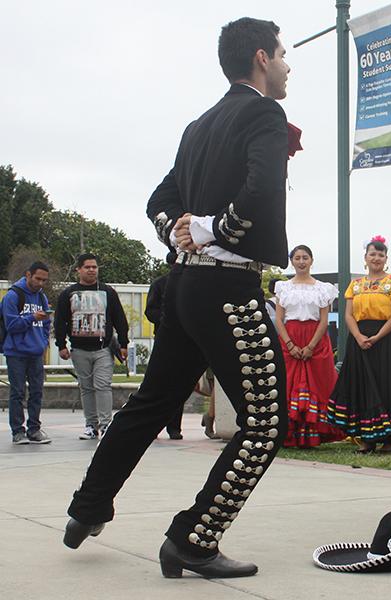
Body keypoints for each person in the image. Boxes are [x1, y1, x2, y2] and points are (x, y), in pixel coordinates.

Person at [63, 17, 294, 579]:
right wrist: (213, 227)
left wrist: (178, 229)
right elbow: (261, 189)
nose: (289, 66)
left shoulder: (199, 125)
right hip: (227, 290)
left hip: (187, 287)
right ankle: (194, 538)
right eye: (284, 55)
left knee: (150, 403)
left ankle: (88, 506)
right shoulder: (264, 113)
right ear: (262, 58)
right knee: (265, 424)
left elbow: (158, 199)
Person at [328, 236, 391, 453]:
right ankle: (367, 438)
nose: (376, 258)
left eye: (380, 254)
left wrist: (377, 336)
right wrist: (359, 337)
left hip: (387, 340)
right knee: (362, 386)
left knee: (387, 384)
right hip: (359, 339)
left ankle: (389, 439)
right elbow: (348, 315)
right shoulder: (355, 285)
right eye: (373, 254)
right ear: (365, 257)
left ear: (386, 258)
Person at [274, 244, 344, 448]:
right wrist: (289, 344)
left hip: (316, 339)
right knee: (288, 384)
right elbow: (279, 319)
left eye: (305, 257)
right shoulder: (283, 287)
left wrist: (311, 346)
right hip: (290, 337)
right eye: (297, 258)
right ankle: (288, 433)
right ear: (292, 261)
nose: (301, 261)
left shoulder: (323, 288)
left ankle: (317, 433)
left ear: (311, 261)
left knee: (319, 383)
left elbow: (324, 320)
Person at [54, 253, 129, 440]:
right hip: (79, 349)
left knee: (103, 386)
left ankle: (106, 425)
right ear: (78, 269)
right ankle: (90, 425)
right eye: (87, 267)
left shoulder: (108, 292)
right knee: (86, 388)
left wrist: (123, 343)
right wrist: (61, 345)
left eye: (94, 267)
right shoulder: (68, 294)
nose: (91, 270)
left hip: (103, 348)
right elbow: (60, 321)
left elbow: (120, 319)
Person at [2, 261, 52, 445]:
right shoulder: (13, 296)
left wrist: (44, 341)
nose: (40, 283)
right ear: (28, 274)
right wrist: (32, 317)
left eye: (44, 280)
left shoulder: (41, 297)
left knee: (37, 391)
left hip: (36, 352)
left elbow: (47, 322)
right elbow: (12, 325)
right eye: (37, 278)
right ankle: (17, 431)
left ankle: (34, 429)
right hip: (16, 352)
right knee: (17, 392)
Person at [145, 251, 184, 439]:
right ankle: (153, 426)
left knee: (181, 385)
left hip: (188, 339)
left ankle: (174, 427)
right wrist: (168, 319)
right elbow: (150, 311)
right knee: (158, 384)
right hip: (165, 337)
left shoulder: (191, 284)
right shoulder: (160, 284)